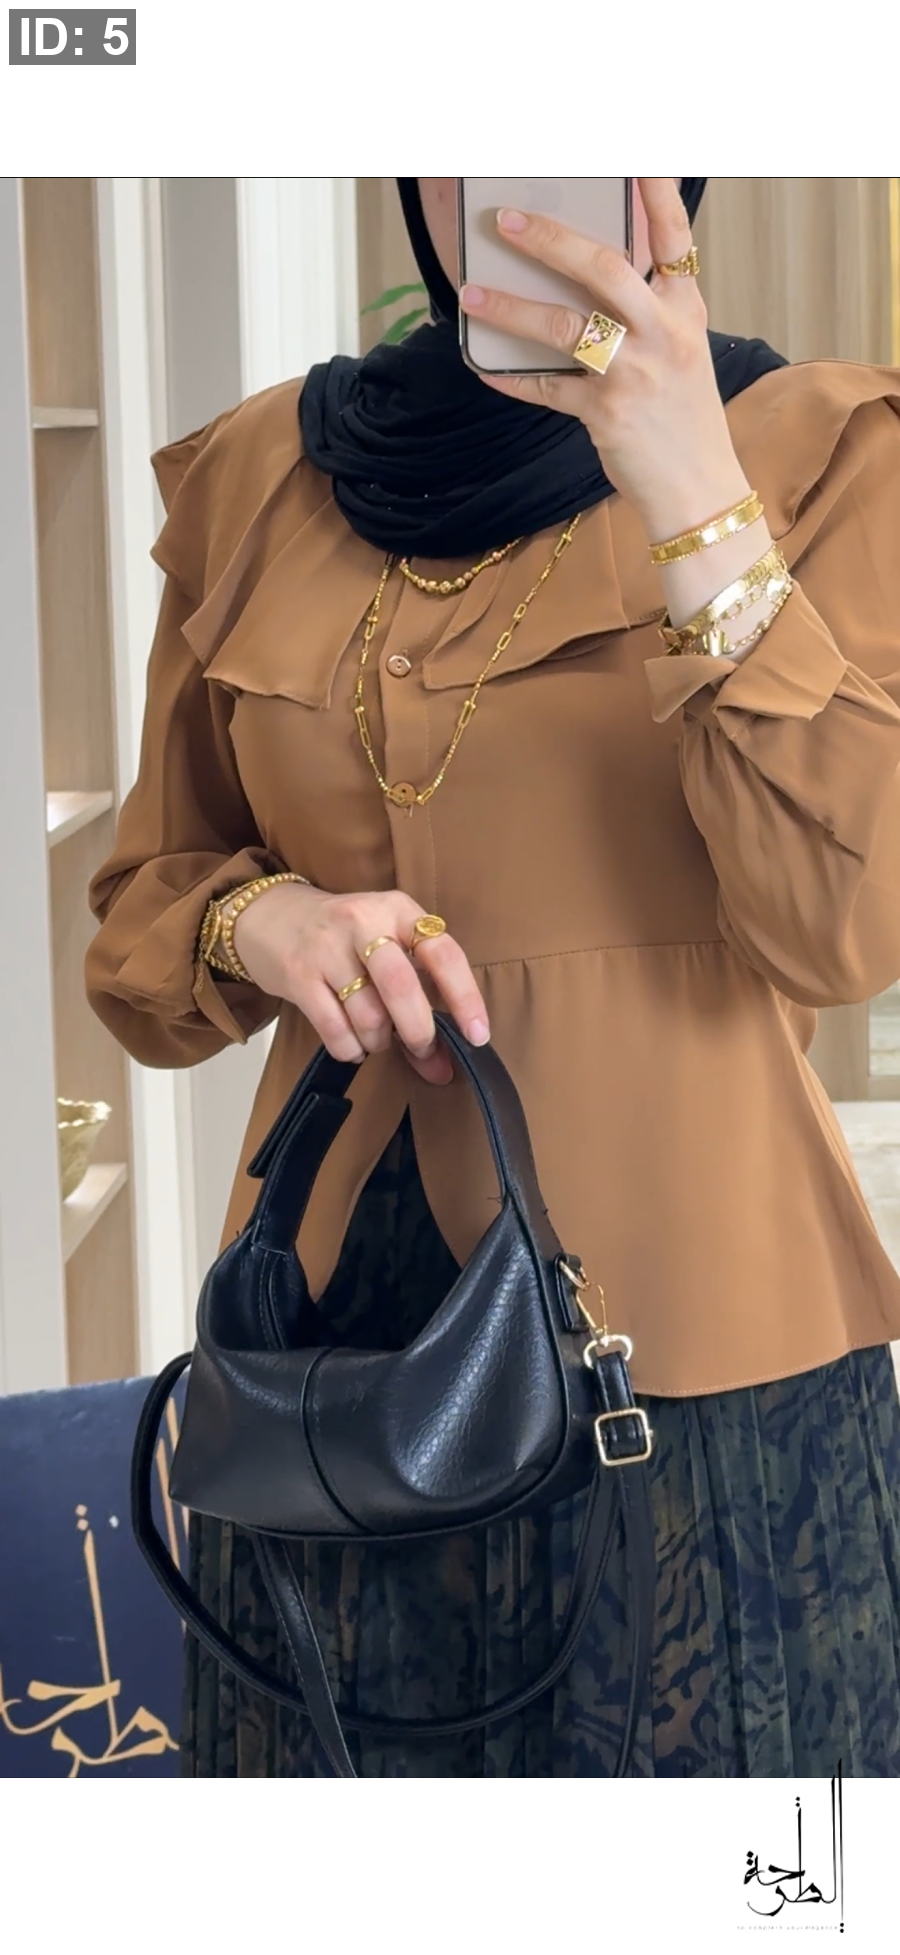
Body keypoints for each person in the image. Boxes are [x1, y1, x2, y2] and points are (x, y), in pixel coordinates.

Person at [86, 178, 900, 1780]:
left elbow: (846, 926)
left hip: (687, 1357)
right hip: (325, 1355)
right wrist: (264, 921)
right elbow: (141, 922)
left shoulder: (819, 450)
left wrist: (690, 479)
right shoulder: (261, 476)